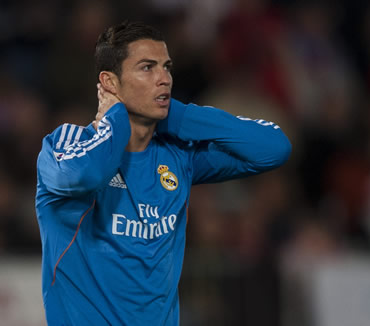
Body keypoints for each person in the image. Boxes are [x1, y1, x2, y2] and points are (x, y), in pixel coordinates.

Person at [35, 21, 291, 325]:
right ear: (110, 82)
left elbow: (273, 148)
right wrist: (116, 118)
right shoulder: (65, 145)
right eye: (147, 67)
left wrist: (179, 115)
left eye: (166, 67)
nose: (164, 79)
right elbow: (86, 175)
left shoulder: (177, 156)